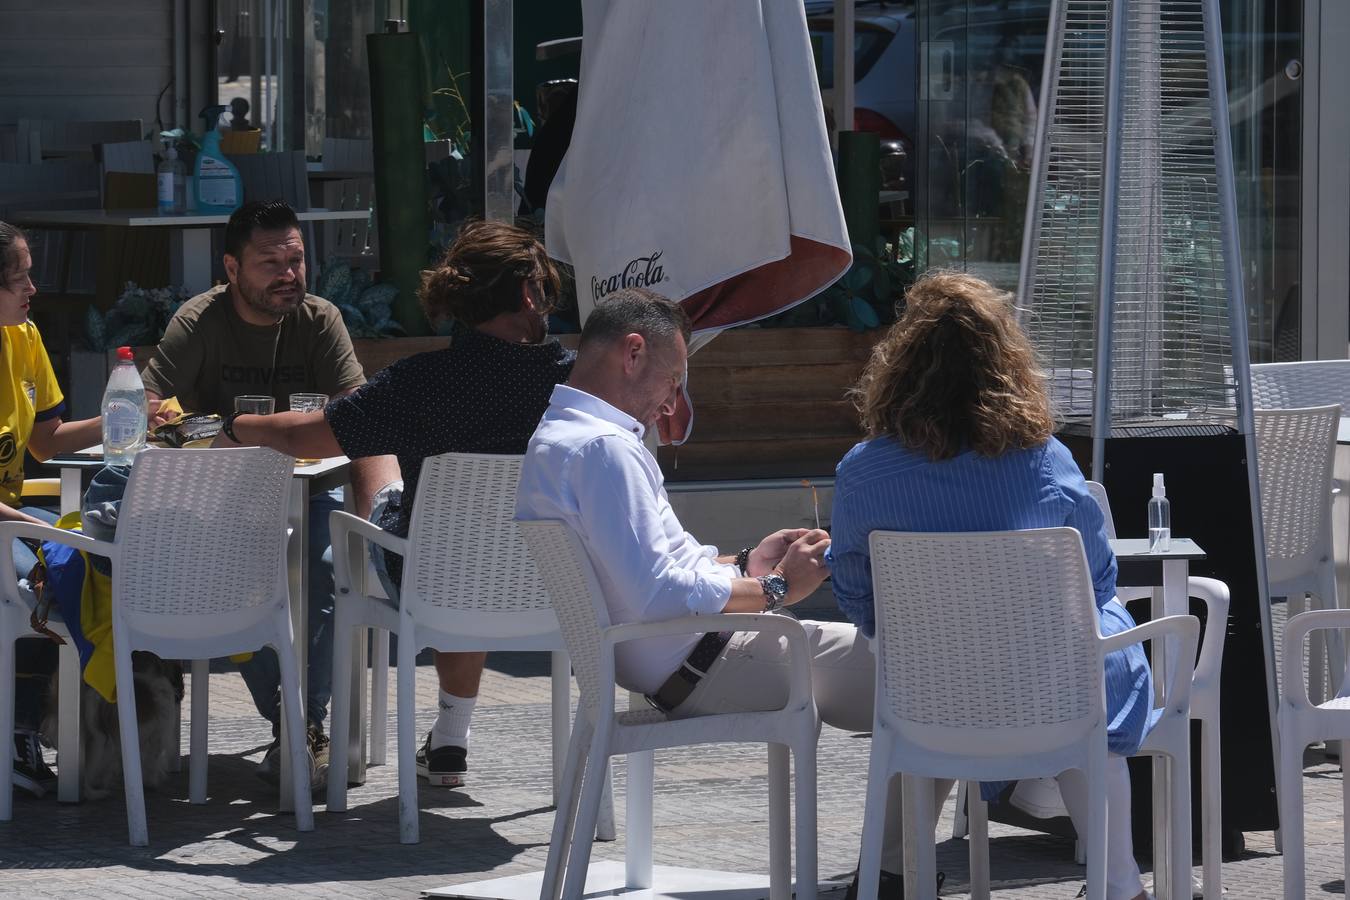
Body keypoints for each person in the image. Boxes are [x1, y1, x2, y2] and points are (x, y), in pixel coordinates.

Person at [514, 288, 926, 895]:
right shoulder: (604, 449)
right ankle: (899, 875)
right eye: (673, 378)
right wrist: (778, 587)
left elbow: (652, 571)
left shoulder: (562, 438)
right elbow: (659, 592)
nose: (671, 401)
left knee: (924, 680)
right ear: (633, 353)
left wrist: (744, 563)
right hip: (713, 662)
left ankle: (895, 874)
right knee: (932, 681)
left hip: (689, 660)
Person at [826, 271, 1157, 900]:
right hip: (1051, 689)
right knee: (1093, 657)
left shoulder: (863, 472)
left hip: (930, 697)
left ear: (898, 365)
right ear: (1006, 364)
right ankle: (1116, 882)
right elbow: (1096, 576)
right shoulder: (1045, 459)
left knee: (932, 671)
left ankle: (896, 872)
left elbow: (856, 593)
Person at [214, 219, 574, 788]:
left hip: (432, 576)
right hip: (552, 579)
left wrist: (234, 425)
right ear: (530, 294)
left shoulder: (420, 382)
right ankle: (451, 736)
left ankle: (358, 723)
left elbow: (300, 437)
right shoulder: (575, 388)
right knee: (479, 529)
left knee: (393, 479)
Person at [139, 199, 389, 788]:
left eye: (296, 260)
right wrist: (223, 436)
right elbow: (150, 412)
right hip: (218, 500)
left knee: (326, 567)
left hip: (312, 495)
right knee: (254, 573)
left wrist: (372, 511)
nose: (288, 275)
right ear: (231, 268)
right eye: (270, 262)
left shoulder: (320, 318)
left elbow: (361, 414)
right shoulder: (199, 321)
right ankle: (300, 724)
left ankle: (304, 724)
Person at [0, 222, 103, 796]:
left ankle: (72, 725)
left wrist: (127, 414)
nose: (33, 287)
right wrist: (38, 529)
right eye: (19, 277)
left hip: (11, 516)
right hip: (7, 521)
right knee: (51, 574)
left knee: (83, 564)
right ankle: (19, 731)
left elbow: (48, 441)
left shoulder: (24, 337)